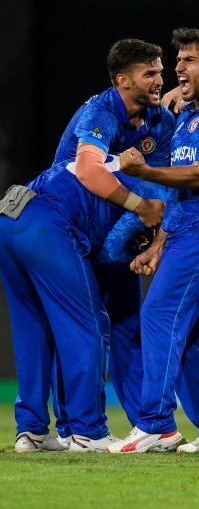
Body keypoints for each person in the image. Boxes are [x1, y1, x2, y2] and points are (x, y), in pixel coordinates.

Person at [107, 28, 199, 454]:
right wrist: (157, 245)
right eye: (179, 60)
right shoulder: (190, 117)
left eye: (189, 60)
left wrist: (144, 172)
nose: (179, 68)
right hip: (186, 232)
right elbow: (177, 193)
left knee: (159, 314)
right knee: (182, 331)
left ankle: (156, 424)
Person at [47, 38, 176, 434]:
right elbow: (88, 171)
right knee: (81, 331)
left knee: (129, 330)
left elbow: (163, 187)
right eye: (149, 73)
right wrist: (141, 208)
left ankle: (148, 428)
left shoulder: (159, 121)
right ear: (123, 80)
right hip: (76, 235)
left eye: (160, 71)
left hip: (118, 238)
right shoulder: (99, 112)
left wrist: (152, 236)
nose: (159, 80)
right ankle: (74, 429)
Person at [1, 161, 165, 453]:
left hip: (9, 213)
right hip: (47, 223)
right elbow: (111, 252)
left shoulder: (115, 164)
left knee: (33, 328)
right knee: (88, 326)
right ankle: (88, 431)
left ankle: (31, 431)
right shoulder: (158, 192)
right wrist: (141, 249)